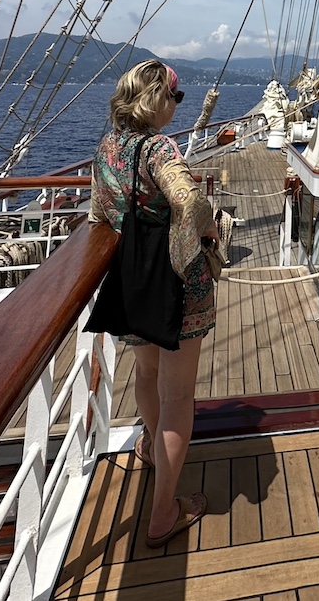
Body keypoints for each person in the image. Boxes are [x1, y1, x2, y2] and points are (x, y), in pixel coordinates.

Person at [87, 60, 219, 548]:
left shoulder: (107, 147)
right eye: (175, 97)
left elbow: (99, 213)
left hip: (131, 280)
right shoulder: (160, 147)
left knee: (145, 375)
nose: (176, 107)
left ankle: (149, 442)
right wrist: (198, 240)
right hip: (175, 287)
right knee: (177, 397)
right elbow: (188, 200)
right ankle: (164, 511)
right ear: (158, 98)